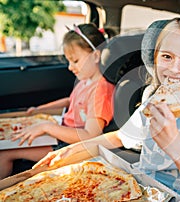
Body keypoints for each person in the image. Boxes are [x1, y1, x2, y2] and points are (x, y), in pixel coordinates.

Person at [34, 17, 180, 201]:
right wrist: (70, 151)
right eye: (167, 57)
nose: (174, 69)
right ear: (155, 59)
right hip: (133, 188)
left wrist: (178, 151)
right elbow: (120, 137)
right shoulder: (153, 104)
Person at [0, 23, 115, 179]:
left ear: (96, 56)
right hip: (60, 133)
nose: (69, 67)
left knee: (5, 153)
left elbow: (89, 136)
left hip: (70, 146)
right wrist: (40, 110)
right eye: (68, 61)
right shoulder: (85, 81)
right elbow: (70, 101)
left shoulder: (101, 91)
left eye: (75, 60)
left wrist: (47, 127)